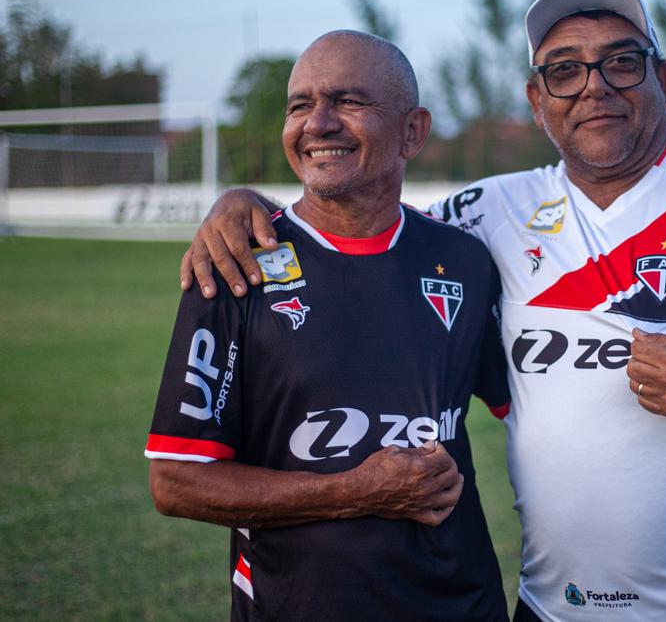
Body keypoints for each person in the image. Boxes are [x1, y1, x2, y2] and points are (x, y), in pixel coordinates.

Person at [180, 0, 666, 622]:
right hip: (550, 607)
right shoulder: (488, 213)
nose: (593, 85)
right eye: (564, 71)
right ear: (538, 101)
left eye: (620, 63)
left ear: (662, 81)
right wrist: (245, 206)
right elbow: (362, 214)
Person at [146, 30, 511, 621]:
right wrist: (357, 492)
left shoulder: (466, 260)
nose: (318, 123)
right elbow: (177, 480)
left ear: (412, 131)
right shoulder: (236, 265)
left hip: (464, 603)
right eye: (299, 105)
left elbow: (533, 407)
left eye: (349, 101)